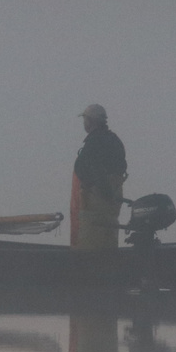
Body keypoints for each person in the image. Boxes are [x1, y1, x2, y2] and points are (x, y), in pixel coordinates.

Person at [71, 103, 127, 249]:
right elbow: (122, 167)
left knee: (89, 247)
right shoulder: (115, 141)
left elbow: (84, 168)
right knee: (109, 243)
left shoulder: (93, 142)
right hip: (113, 204)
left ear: (90, 121)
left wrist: (97, 187)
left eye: (85, 119)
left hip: (94, 205)